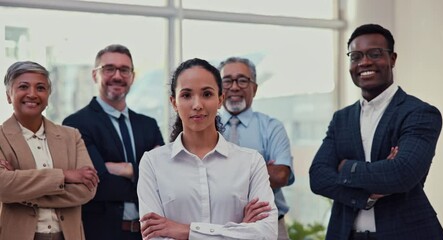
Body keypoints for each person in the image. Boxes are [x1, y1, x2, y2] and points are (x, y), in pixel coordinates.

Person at [309, 23, 443, 240]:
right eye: (356, 56)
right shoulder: (341, 119)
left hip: (406, 233)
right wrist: (369, 195)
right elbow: (318, 177)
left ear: (392, 59)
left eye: (375, 54)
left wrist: (345, 168)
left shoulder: (419, 113)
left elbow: (402, 173)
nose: (364, 62)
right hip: (346, 234)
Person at [138, 58, 278, 239]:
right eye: (186, 95)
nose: (197, 105)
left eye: (207, 94)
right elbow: (155, 236)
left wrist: (185, 231)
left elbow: (266, 234)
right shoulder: (153, 163)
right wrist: (240, 230)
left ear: (220, 99)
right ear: (174, 102)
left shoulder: (250, 162)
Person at [62, 44, 164, 240]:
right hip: (101, 234)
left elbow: (165, 177)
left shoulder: (148, 125)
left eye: (124, 70)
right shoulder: (75, 124)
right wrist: (145, 175)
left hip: (148, 234)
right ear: (95, 75)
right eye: (109, 69)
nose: (117, 76)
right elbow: (97, 185)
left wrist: (126, 169)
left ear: (132, 76)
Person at [0, 61, 99, 240]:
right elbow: (2, 187)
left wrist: (20, 190)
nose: (32, 94)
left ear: (48, 95)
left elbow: (87, 190)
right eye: (23, 86)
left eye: (40, 88)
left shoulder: (71, 136)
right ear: (8, 95)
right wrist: (64, 176)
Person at [218, 57, 295, 239]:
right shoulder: (205, 127)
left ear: (255, 88)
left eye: (243, 80)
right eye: (227, 81)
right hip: (218, 227)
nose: (235, 87)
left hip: (268, 227)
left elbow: (280, 175)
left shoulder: (271, 127)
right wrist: (260, 169)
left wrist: (220, 171)